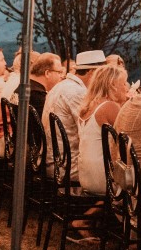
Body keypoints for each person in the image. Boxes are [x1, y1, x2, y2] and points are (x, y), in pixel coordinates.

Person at [43, 50, 106, 181]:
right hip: (67, 167)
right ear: (92, 73)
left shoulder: (60, 86)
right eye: (103, 75)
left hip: (52, 160)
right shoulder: (78, 93)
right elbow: (90, 135)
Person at [74, 64, 130, 195]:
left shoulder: (88, 106)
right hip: (103, 178)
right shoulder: (109, 107)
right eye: (123, 83)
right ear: (113, 85)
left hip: (86, 176)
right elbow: (128, 138)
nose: (126, 87)